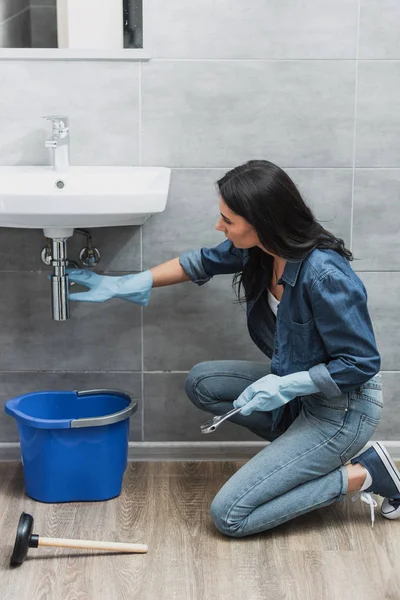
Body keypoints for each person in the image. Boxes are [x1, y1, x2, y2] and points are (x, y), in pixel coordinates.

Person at [67, 159, 400, 535]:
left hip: (342, 410)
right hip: (301, 397)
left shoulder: (324, 274)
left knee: (230, 516)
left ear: (262, 221)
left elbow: (362, 363)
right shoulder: (260, 249)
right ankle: (302, 455)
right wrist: (124, 284)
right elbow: (200, 262)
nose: (219, 226)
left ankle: (365, 474)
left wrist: (288, 385)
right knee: (202, 382)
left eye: (228, 220)